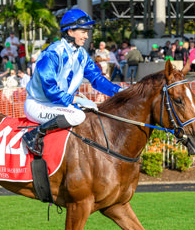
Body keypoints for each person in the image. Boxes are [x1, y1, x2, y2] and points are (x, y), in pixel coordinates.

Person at [21, 8, 122, 156]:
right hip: (39, 104)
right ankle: (34, 134)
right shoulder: (53, 53)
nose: (87, 36)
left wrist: (118, 91)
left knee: (93, 110)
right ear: (70, 32)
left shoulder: (82, 54)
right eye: (83, 31)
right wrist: (75, 99)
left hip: (59, 105)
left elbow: (96, 78)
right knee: (78, 116)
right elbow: (49, 88)